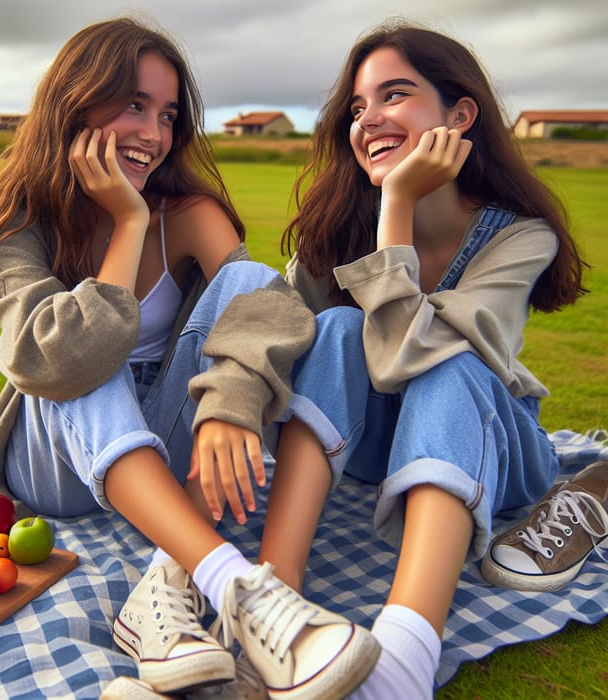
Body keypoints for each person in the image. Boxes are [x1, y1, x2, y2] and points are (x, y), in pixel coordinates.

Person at [0, 16, 379, 700]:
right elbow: (51, 361)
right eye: (134, 104)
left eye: (165, 115)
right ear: (76, 99)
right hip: (55, 461)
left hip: (160, 436)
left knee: (257, 286)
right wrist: (127, 223)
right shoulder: (21, 222)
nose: (154, 134)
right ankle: (233, 585)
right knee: (76, 353)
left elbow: (273, 306)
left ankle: (193, 593)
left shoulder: (188, 210)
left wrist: (229, 401)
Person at [187, 19, 591, 699]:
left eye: (394, 96)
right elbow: (277, 325)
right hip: (378, 451)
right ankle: (270, 597)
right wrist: (229, 399)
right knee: (340, 328)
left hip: (492, 453)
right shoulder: (341, 226)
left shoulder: (522, 238)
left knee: (450, 363)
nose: (368, 119)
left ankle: (405, 653)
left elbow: (414, 355)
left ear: (459, 115)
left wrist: (397, 202)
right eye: (357, 107)